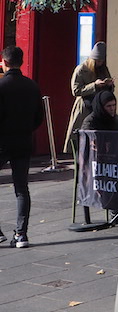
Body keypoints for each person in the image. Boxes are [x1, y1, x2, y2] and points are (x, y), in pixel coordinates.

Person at [0, 46, 45, 248]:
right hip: (24, 141)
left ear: (5, 63)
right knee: (21, 188)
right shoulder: (32, 86)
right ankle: (21, 234)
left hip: (2, 142)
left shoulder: (1, 86)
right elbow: (38, 118)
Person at [63, 43, 114, 153]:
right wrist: (94, 85)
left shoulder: (103, 69)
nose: (99, 63)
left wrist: (109, 85)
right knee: (82, 136)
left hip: (100, 107)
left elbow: (109, 91)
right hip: (85, 106)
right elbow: (76, 90)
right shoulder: (81, 69)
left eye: (101, 61)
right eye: (97, 61)